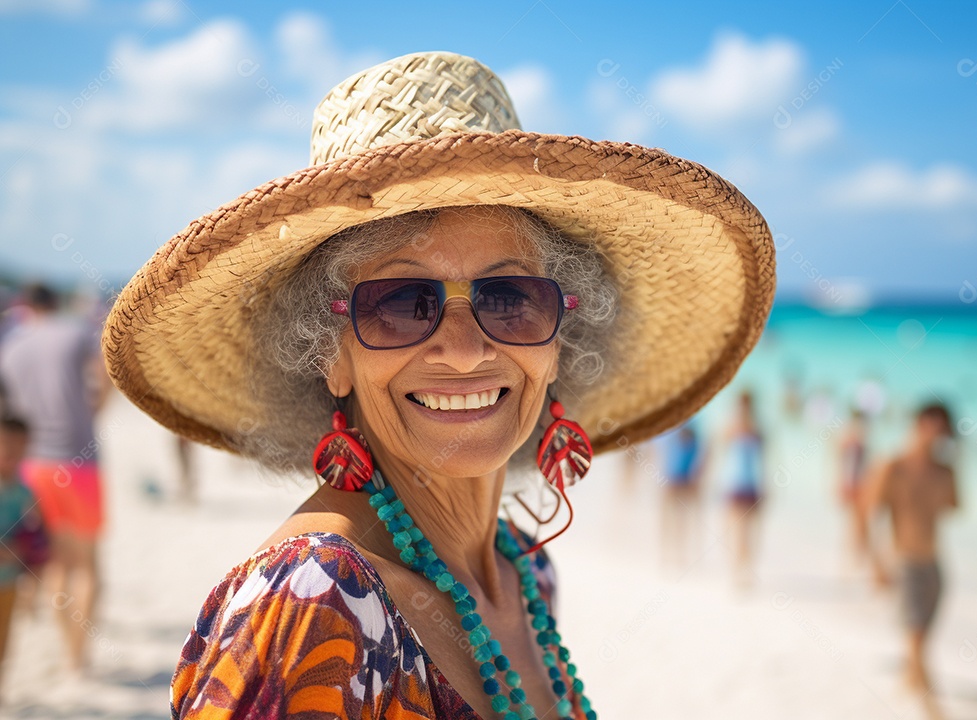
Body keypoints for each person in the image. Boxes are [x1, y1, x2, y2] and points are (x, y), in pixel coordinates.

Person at [102, 52, 776, 719]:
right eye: (401, 303)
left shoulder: (524, 574)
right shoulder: (309, 602)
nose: (464, 351)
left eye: (510, 299)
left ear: (559, 344)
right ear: (330, 355)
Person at [0, 283, 107, 671]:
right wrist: (94, 410)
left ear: (26, 306)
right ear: (54, 302)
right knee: (87, 564)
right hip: (79, 461)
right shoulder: (75, 332)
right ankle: (79, 656)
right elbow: (106, 373)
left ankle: (66, 649)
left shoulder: (11, 345)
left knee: (57, 564)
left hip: (32, 466)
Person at [863, 402, 959, 693]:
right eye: (933, 426)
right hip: (905, 560)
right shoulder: (893, 467)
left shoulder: (944, 471)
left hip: (934, 562)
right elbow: (868, 513)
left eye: (942, 430)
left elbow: (954, 506)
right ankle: (928, 699)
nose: (936, 435)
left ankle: (910, 682)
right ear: (918, 424)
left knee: (923, 635)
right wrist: (876, 563)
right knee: (915, 635)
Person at [0, 416, 45, 690]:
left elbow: (35, 537)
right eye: (5, 446)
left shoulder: (24, 491)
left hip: (9, 581)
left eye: (18, 448)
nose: (10, 453)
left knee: (4, 640)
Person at [715, 390, 764, 585]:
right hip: (736, 483)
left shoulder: (754, 428)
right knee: (737, 530)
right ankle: (738, 570)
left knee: (745, 531)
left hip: (747, 483)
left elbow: (763, 459)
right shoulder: (737, 427)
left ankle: (742, 570)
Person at [659, 422, 705, 570]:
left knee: (678, 518)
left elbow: (698, 461)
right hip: (674, 480)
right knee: (673, 518)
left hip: (680, 480)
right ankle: (669, 550)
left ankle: (675, 550)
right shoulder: (681, 436)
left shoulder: (687, 436)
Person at [837, 408, 870, 565]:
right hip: (853, 486)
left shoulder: (855, 443)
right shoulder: (852, 443)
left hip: (859, 486)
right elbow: (844, 467)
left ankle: (855, 556)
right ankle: (853, 557)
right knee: (856, 522)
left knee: (858, 522)